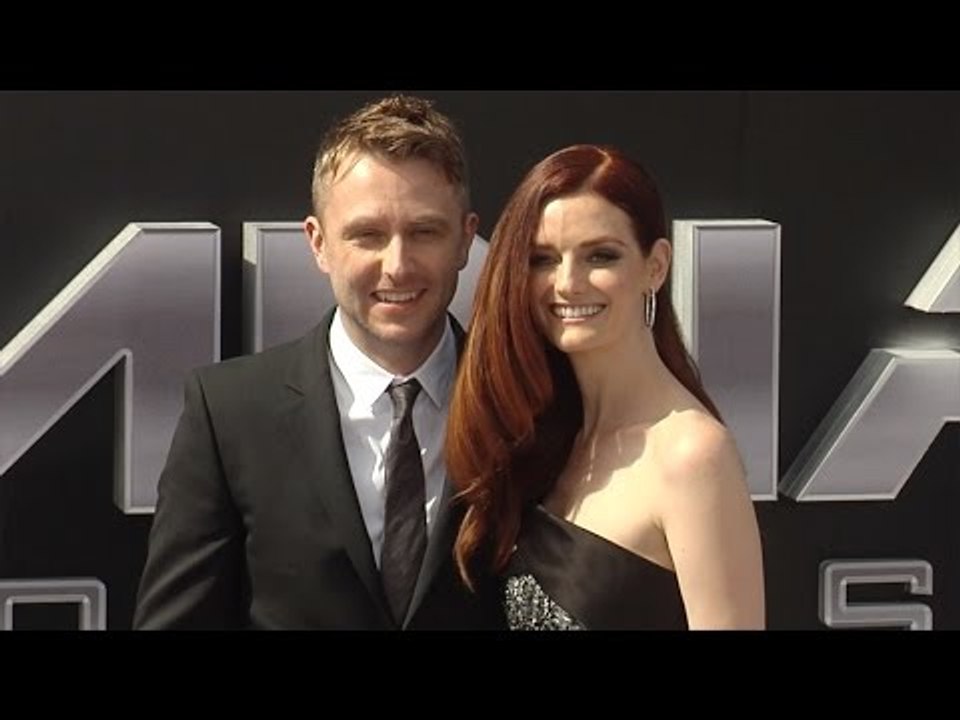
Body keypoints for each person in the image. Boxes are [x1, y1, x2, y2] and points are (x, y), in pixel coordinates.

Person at [134, 95, 506, 630]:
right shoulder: (229, 415)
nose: (397, 265)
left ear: (466, 239)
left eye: (425, 231)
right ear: (319, 242)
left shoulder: (525, 403)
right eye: (367, 235)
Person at [445, 144, 765, 630]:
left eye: (600, 255)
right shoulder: (545, 439)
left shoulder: (692, 455)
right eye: (543, 259)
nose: (568, 283)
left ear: (654, 267)